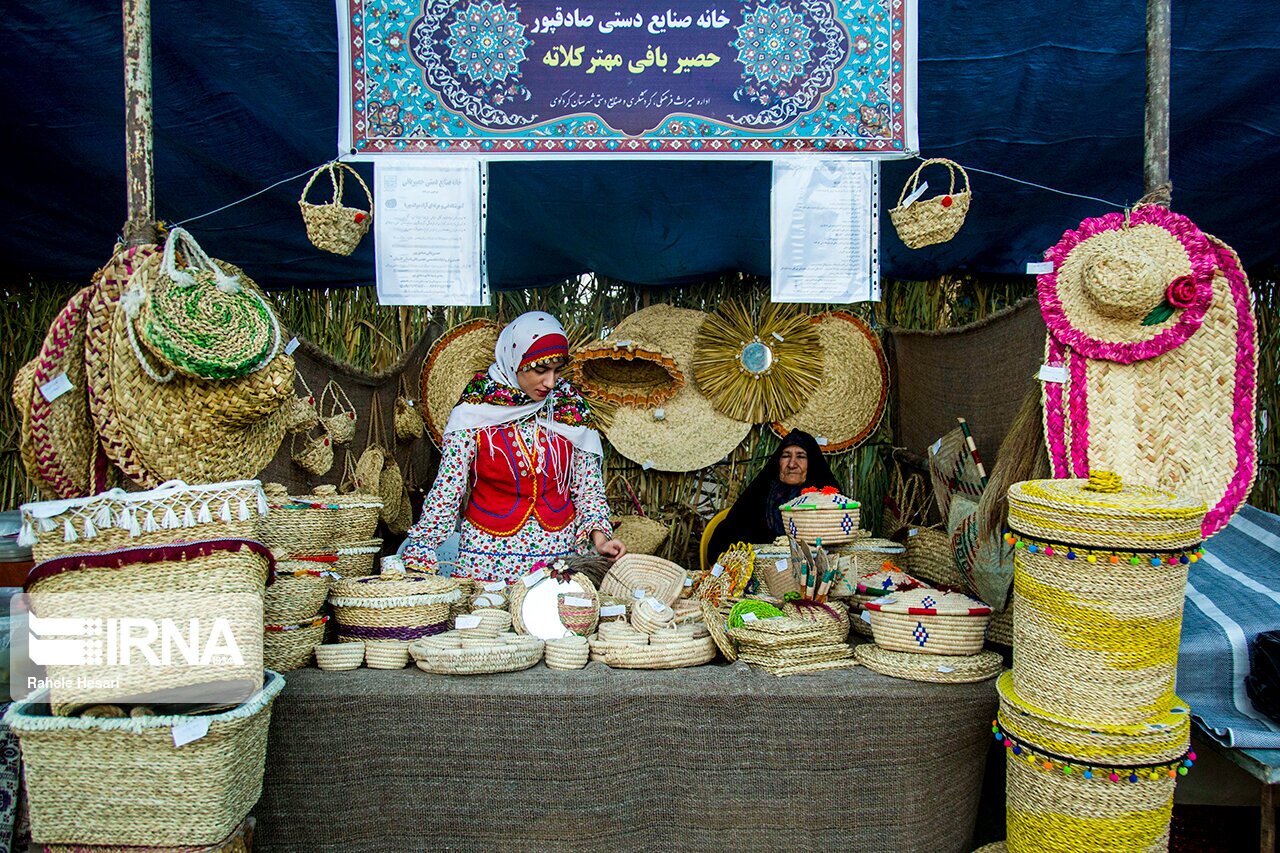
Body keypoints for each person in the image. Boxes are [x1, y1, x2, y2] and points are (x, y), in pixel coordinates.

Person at [402, 311, 626, 583]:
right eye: (540, 370)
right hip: (486, 559)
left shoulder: (569, 408)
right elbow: (449, 487)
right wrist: (424, 544)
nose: (550, 382)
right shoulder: (475, 410)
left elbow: (588, 488)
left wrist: (601, 540)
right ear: (513, 361)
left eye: (556, 370)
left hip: (557, 562)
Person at [706, 430, 839, 562]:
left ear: (811, 462)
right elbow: (721, 545)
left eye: (801, 456)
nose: (792, 464)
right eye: (786, 456)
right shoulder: (759, 493)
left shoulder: (827, 498)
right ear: (778, 461)